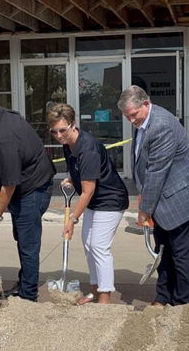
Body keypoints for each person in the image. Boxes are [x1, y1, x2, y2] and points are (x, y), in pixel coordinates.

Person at [119, 85, 189, 306]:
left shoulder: (161, 126)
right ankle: (163, 297)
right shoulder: (143, 121)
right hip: (163, 200)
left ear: (145, 104)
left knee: (182, 258)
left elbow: (156, 172)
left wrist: (144, 210)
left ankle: (182, 305)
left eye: (134, 115)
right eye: (127, 116)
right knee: (163, 253)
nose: (131, 121)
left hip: (181, 200)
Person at [0, 85, 56, 302]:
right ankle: (25, 283)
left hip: (33, 187)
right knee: (22, 239)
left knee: (28, 242)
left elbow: (9, 185)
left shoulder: (3, 137)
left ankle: (28, 296)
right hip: (20, 183)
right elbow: (3, 165)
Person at [47, 103, 129, 305]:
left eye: (62, 130)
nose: (58, 135)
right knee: (88, 244)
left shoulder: (88, 149)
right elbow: (82, 176)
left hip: (110, 199)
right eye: (54, 131)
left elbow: (88, 190)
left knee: (99, 246)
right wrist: (72, 178)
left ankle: (105, 297)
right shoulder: (68, 145)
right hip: (95, 200)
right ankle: (95, 289)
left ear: (73, 125)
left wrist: (73, 219)